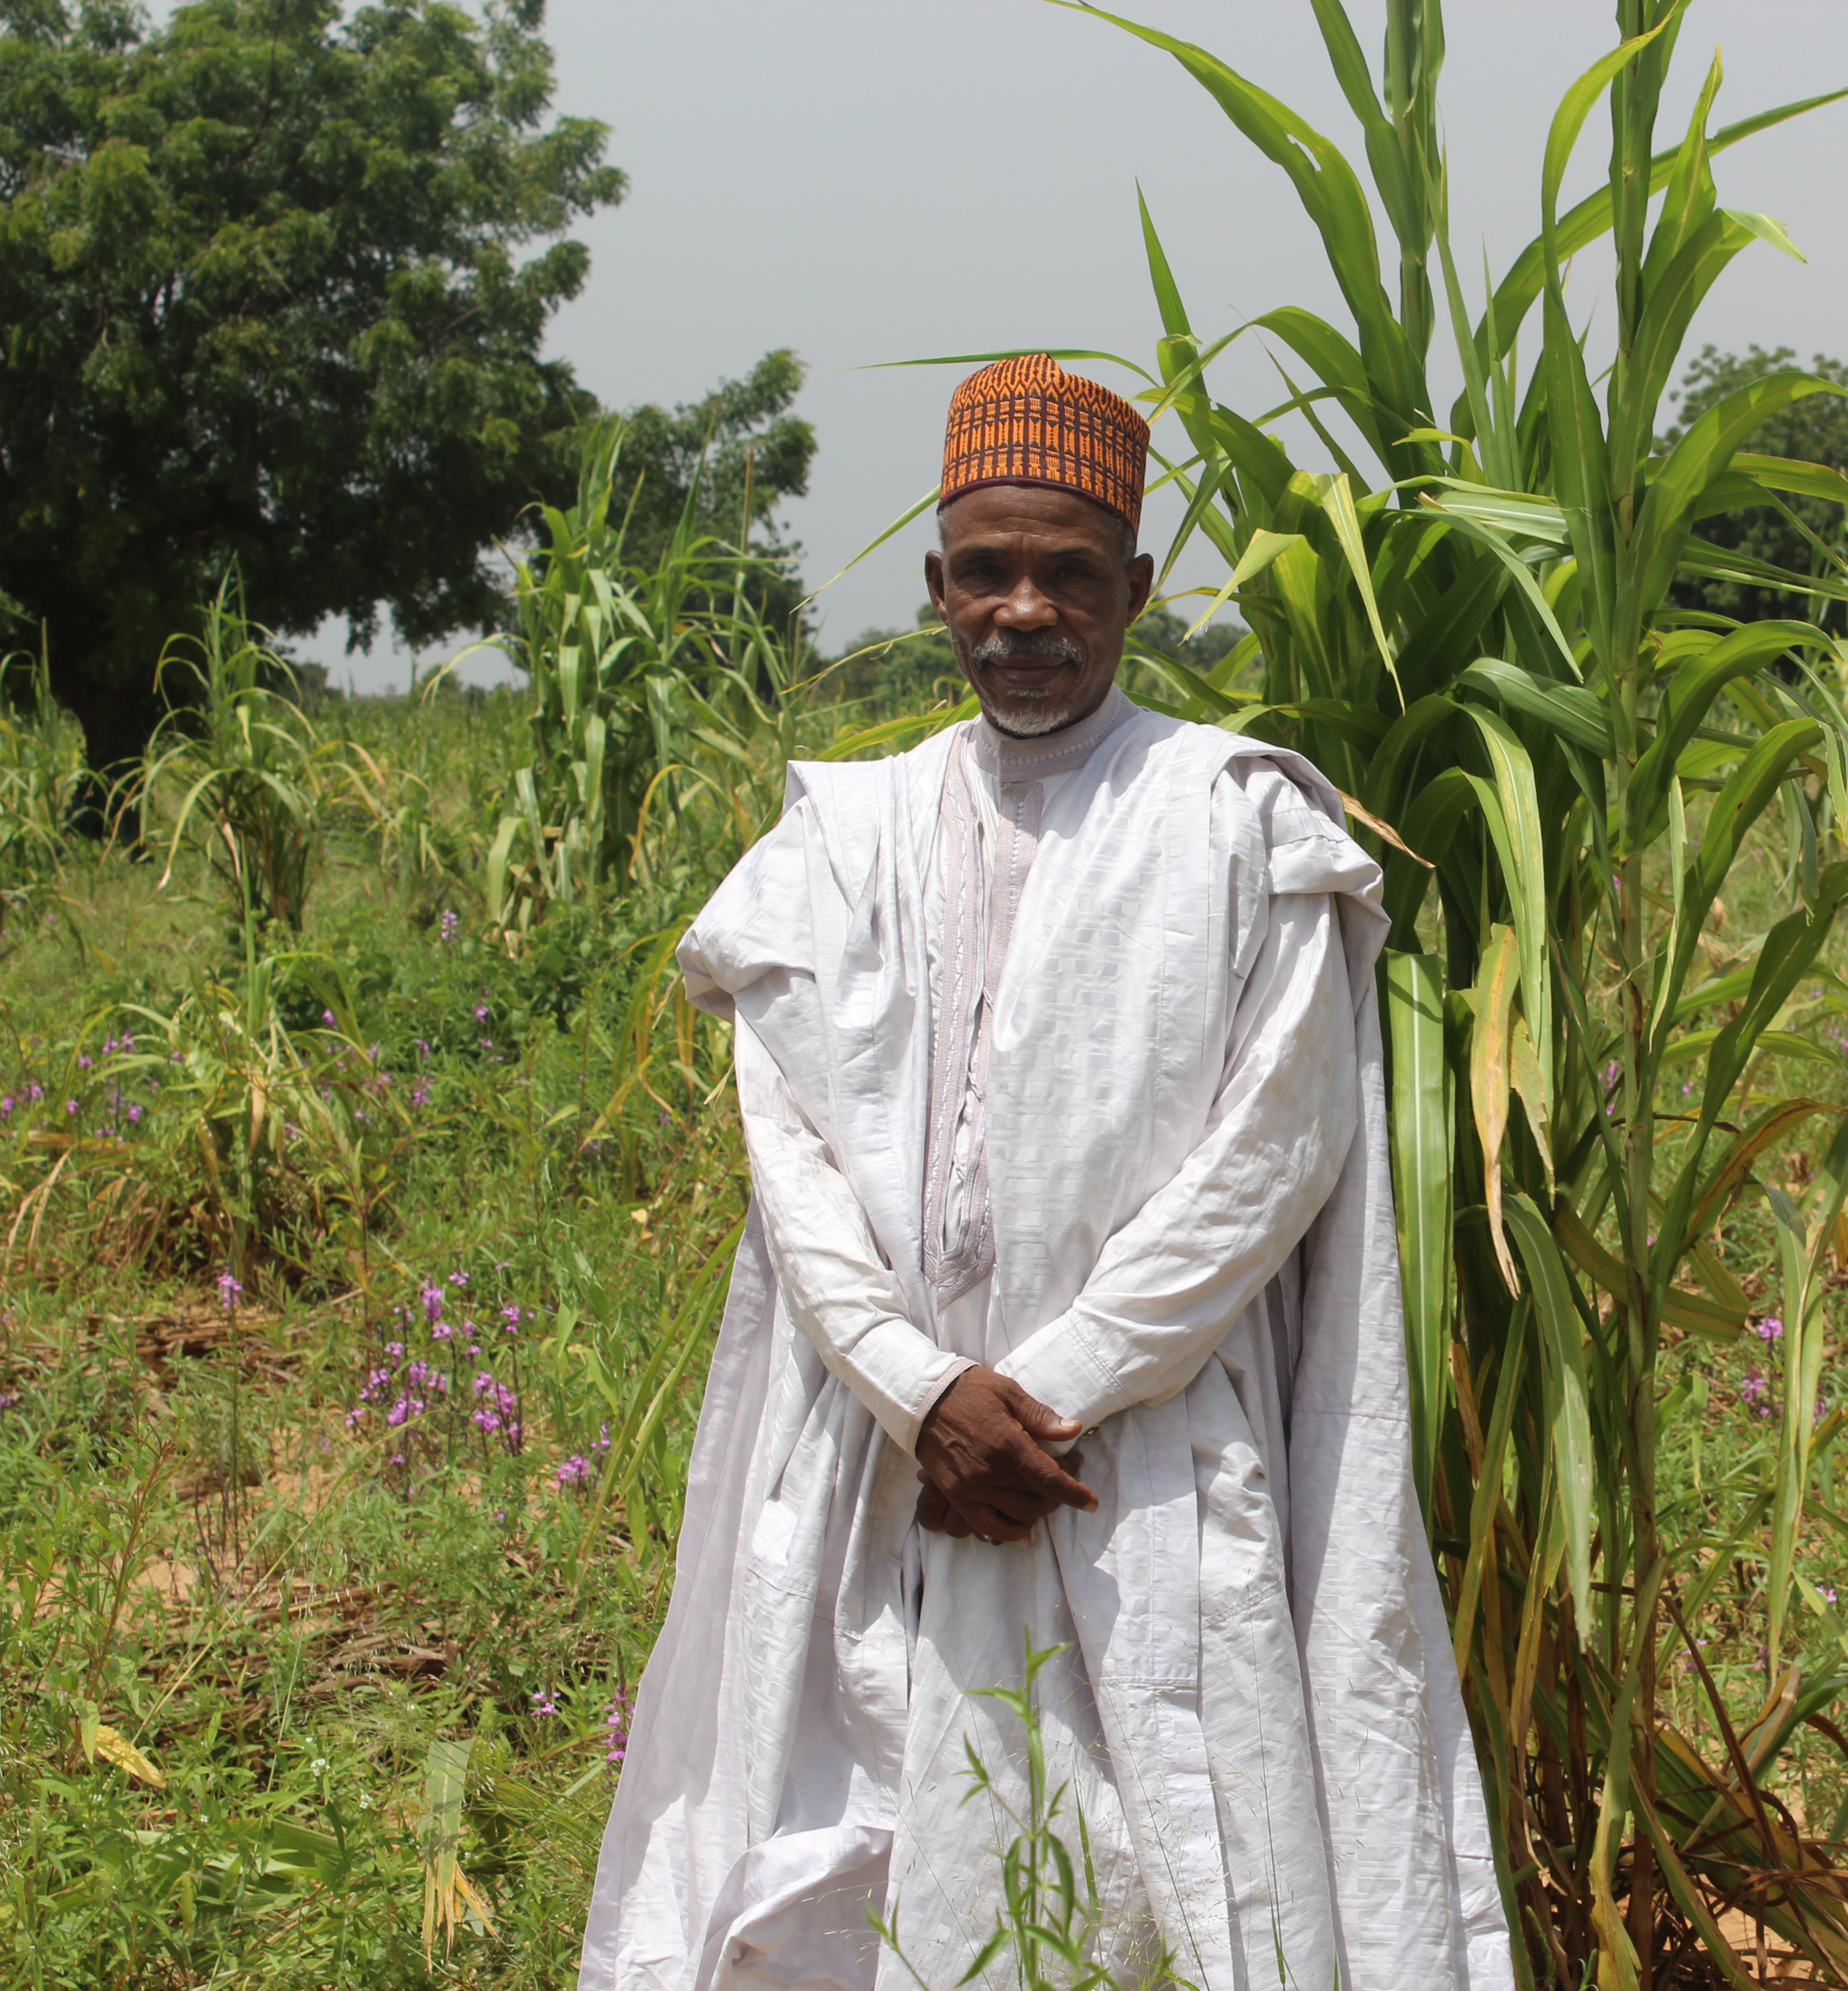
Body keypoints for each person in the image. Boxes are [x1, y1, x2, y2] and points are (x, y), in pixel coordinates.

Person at [578, 355, 1505, 1990]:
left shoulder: (1235, 822)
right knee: (828, 1868)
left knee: (1157, 1877)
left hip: (1131, 1454)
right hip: (879, 1457)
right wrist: (921, 1392)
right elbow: (790, 1157)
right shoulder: (839, 840)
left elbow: (1274, 1154)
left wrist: (1047, 1390)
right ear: (938, 587)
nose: (1024, 610)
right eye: (987, 571)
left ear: (1136, 592)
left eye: (1069, 574)